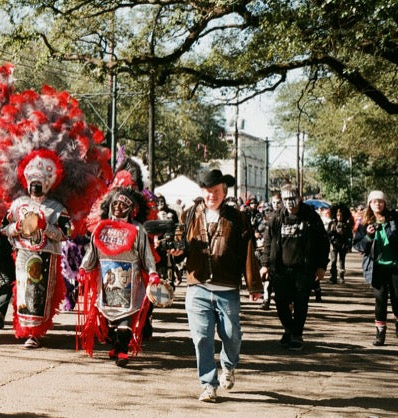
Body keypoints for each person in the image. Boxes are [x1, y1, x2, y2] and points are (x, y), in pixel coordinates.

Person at [169, 169, 263, 403]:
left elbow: (248, 252)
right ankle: (208, 385)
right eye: (209, 191)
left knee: (231, 335)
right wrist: (176, 251)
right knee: (201, 338)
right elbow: (180, 246)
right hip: (197, 286)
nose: (212, 196)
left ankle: (229, 366)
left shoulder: (238, 218)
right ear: (202, 191)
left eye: (217, 192)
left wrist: (254, 285)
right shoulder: (188, 215)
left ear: (224, 192)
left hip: (227, 288)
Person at [78, 187, 159, 366]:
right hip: (106, 280)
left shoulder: (137, 230)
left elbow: (146, 255)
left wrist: (152, 272)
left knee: (126, 317)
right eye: (115, 204)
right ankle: (117, 344)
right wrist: (84, 268)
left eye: (123, 205)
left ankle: (123, 350)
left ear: (132, 209)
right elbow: (92, 252)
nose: (118, 208)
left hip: (130, 279)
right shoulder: (101, 227)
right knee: (110, 319)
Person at [1, 150, 70, 349]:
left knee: (39, 294)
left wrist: (45, 226)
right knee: (23, 293)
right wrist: (18, 227)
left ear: (47, 184)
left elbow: (66, 234)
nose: (35, 186)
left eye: (39, 182)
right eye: (32, 182)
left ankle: (36, 333)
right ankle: (25, 330)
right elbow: (3, 229)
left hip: (46, 255)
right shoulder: (18, 204)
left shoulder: (56, 208)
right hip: (23, 254)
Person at [260, 184, 329, 352]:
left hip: (303, 269)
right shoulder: (276, 218)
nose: (289, 202)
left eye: (292, 198)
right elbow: (268, 243)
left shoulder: (311, 217)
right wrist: (265, 264)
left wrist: (321, 266)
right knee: (281, 303)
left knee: (300, 303)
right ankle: (289, 329)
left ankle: (296, 334)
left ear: (299, 198)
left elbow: (323, 242)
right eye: (286, 199)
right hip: (281, 269)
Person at [353, 191, 398, 346]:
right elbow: (358, 246)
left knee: (397, 300)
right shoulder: (364, 223)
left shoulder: (393, 219)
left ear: (384, 203)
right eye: (374, 202)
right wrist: (368, 236)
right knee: (380, 301)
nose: (377, 204)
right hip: (376, 268)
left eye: (380, 201)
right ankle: (380, 334)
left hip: (394, 266)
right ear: (369, 204)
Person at [327, 204, 354, 284]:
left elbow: (350, 236)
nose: (339, 217)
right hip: (334, 245)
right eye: (338, 215)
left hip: (342, 246)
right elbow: (327, 234)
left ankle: (341, 277)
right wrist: (332, 231)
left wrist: (344, 234)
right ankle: (333, 277)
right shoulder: (332, 223)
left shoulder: (346, 224)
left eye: (341, 215)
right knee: (333, 261)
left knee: (342, 262)